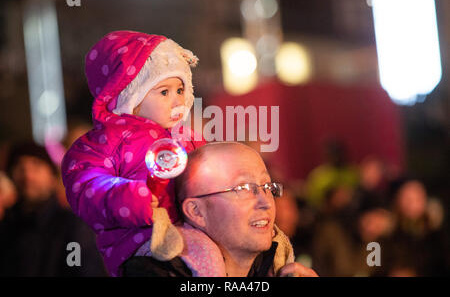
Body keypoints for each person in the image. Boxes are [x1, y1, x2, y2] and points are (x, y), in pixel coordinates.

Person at [61, 30, 205, 277]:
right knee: (205, 260)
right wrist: (126, 197)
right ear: (132, 95)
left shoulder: (188, 138)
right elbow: (84, 184)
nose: (177, 101)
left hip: (194, 229)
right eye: (164, 92)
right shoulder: (108, 140)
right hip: (138, 242)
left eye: (180, 90)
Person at [121, 142, 319, 277]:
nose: (265, 202)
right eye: (243, 188)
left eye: (267, 186)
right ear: (197, 212)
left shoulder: (279, 266)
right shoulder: (152, 272)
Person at [0, 142, 106, 276]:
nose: (28, 176)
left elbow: (82, 269)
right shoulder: (7, 226)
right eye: (20, 167)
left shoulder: (72, 226)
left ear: (52, 177)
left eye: (36, 167)